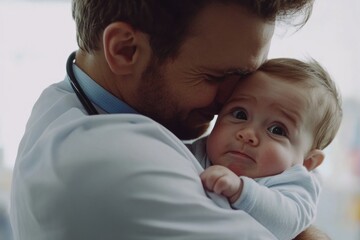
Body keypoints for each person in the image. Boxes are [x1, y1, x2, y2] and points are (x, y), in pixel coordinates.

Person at [9, 1, 330, 239]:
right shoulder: (113, 166)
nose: (229, 102)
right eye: (217, 76)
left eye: (246, 77)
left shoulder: (61, 101)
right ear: (125, 50)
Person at [189, 58, 342, 240]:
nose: (247, 134)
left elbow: (287, 224)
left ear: (307, 162)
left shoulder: (293, 183)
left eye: (277, 130)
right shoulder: (198, 151)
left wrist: (241, 191)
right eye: (240, 114)